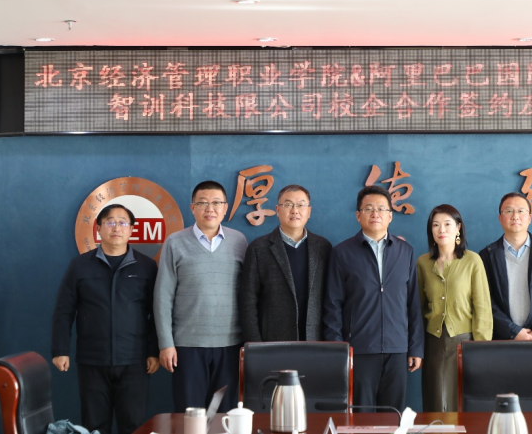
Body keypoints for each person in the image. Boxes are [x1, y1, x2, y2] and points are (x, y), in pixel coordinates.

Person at [51, 204, 159, 434]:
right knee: (94, 426)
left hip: (134, 360)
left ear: (131, 229)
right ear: (98, 228)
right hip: (92, 359)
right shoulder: (80, 265)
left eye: (122, 222)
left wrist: (153, 351)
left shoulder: (147, 266)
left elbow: (155, 313)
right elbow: (64, 309)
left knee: (133, 425)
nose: (116, 228)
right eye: (110, 222)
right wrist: (60, 350)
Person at [323, 185, 424, 411]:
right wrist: (338, 349)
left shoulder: (405, 251)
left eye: (381, 208)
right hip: (358, 349)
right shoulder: (342, 252)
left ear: (390, 215)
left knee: (393, 415)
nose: (375, 213)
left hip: (397, 348)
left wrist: (416, 347)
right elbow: (332, 305)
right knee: (361, 416)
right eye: (368, 208)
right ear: (358, 215)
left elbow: (413, 304)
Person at [154, 180, 248, 412]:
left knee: (223, 415)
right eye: (203, 203)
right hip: (187, 346)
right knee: (189, 416)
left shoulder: (239, 241)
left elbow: (247, 294)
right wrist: (166, 344)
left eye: (216, 203)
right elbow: (163, 296)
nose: (210, 208)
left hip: (230, 345)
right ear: (192, 207)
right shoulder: (175, 242)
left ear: (225, 208)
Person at [417, 204, 492, 412]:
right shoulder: (423, 263)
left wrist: (481, 348)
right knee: (435, 402)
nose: (441, 229)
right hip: (433, 344)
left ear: (458, 227)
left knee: (462, 404)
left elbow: (482, 308)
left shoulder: (472, 260)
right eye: (436, 225)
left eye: (447, 224)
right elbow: (418, 309)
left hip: (465, 343)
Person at [240, 184, 332, 341]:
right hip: (273, 341)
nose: (295, 210)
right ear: (277, 210)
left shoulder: (323, 248)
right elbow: (248, 301)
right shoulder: (258, 248)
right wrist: (254, 344)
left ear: (309, 211)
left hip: (315, 340)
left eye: (301, 205)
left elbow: (331, 299)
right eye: (288, 204)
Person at [480, 192, 532, 341]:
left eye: (521, 211)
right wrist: (514, 332)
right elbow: (486, 301)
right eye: (508, 211)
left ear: (529, 218)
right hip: (504, 340)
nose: (515, 216)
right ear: (500, 218)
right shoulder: (487, 255)